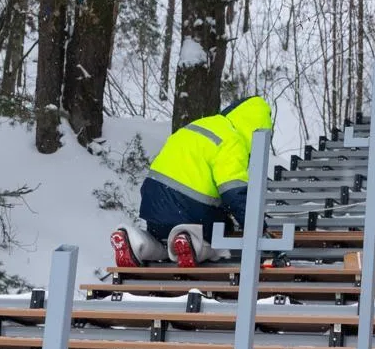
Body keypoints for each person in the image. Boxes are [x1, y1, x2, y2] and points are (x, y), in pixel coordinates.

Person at [112, 95, 274, 269]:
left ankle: (135, 242)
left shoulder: (200, 125)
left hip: (153, 199)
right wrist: (257, 226)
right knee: (220, 237)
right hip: (190, 207)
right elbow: (234, 192)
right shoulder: (233, 140)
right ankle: (192, 243)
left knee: (160, 241)